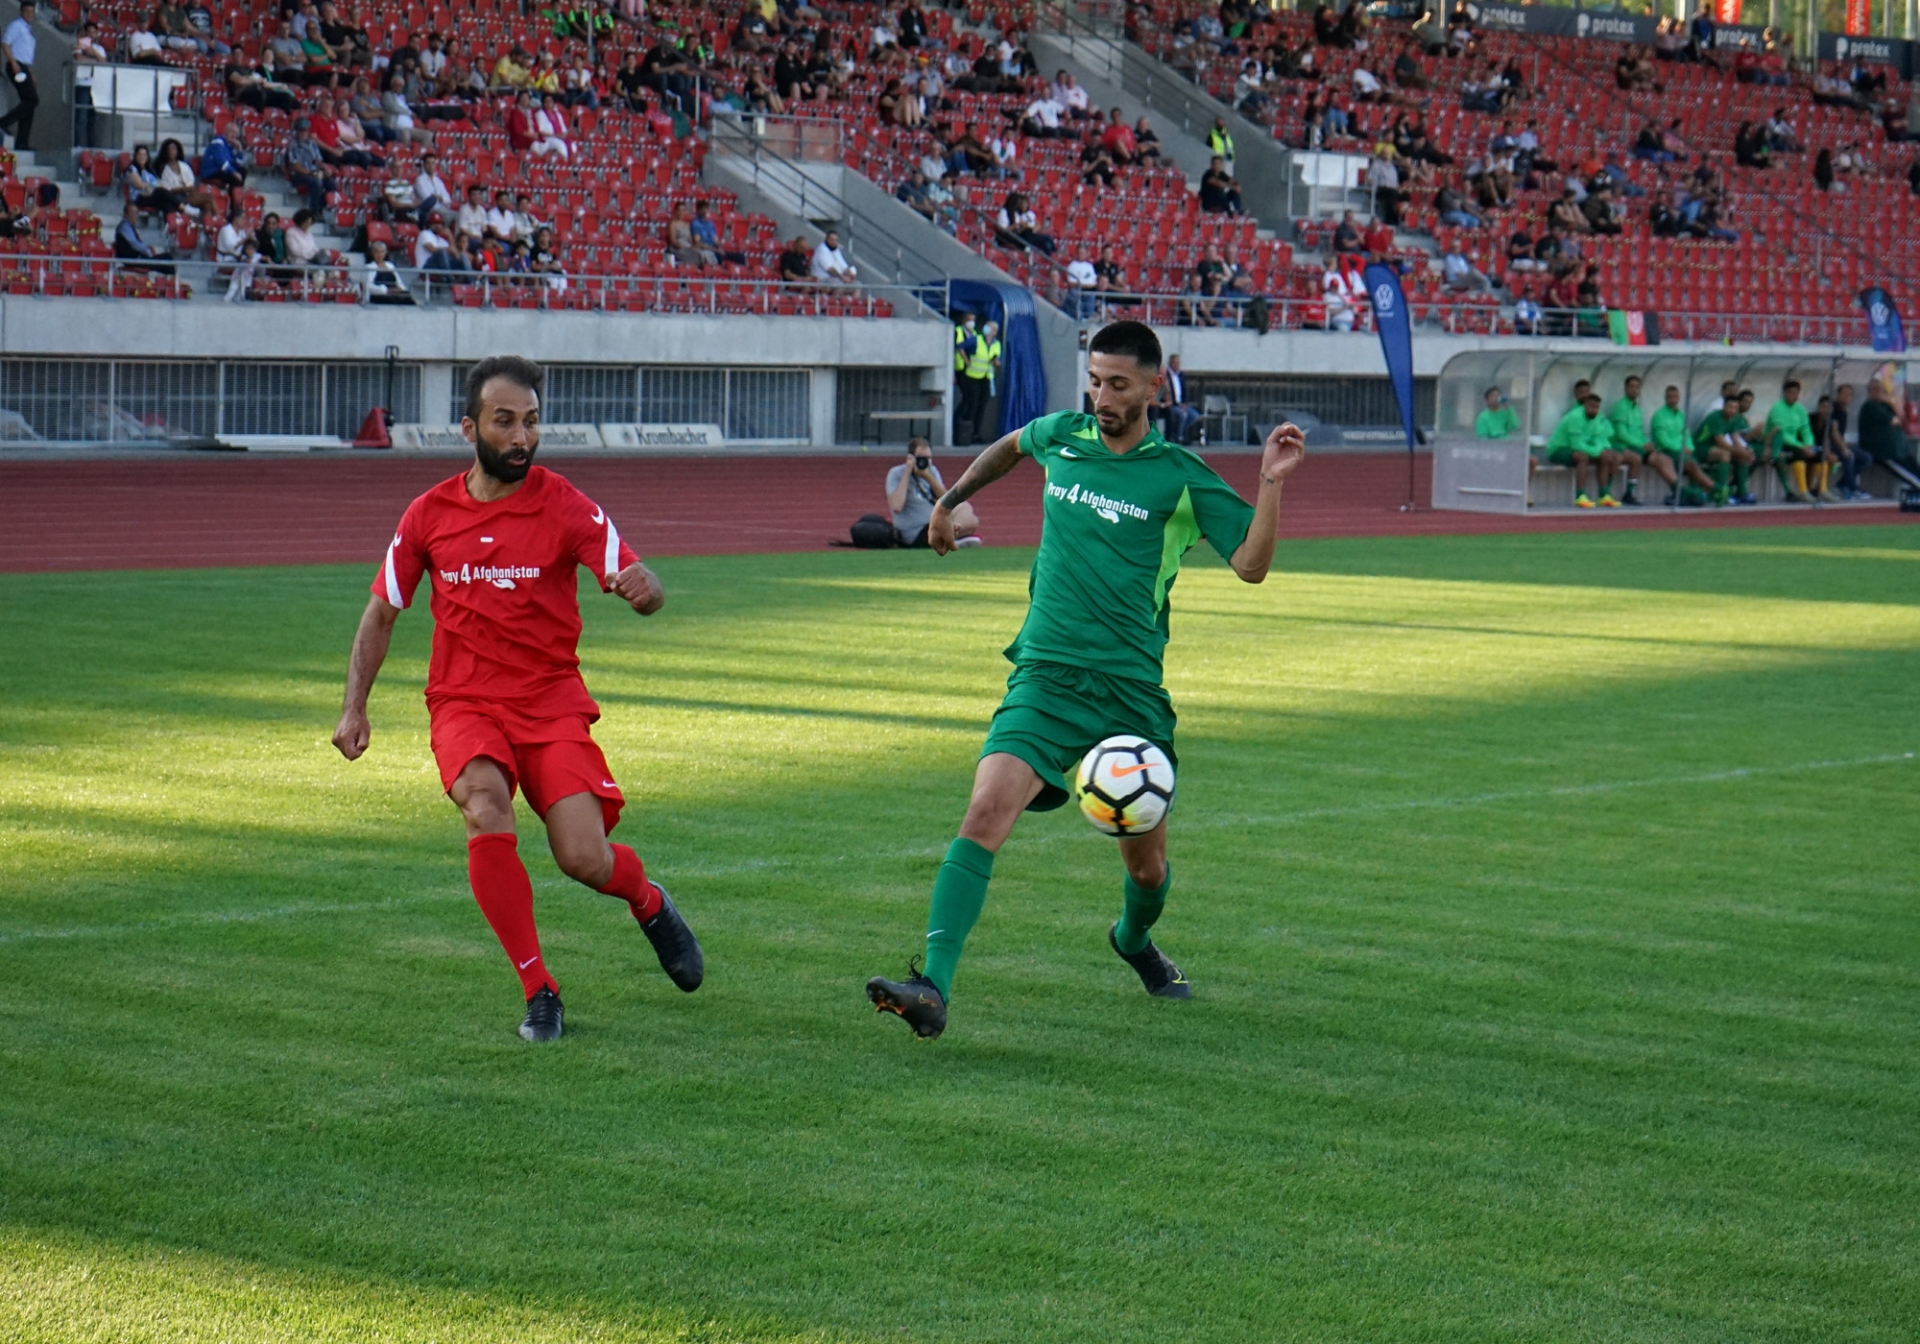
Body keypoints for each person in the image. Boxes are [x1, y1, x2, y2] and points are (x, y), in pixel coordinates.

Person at [865, 321, 1308, 1040]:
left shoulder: (1179, 476)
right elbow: (1012, 446)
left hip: (1130, 694)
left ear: (1153, 388)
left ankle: (1132, 940)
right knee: (983, 813)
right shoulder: (1061, 437)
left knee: (1147, 872)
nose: (1102, 397)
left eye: (1119, 385)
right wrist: (947, 503)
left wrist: (1270, 483)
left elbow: (1251, 566)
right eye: (1095, 381)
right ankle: (932, 987)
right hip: (1045, 675)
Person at [332, 356, 703, 1045]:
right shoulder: (427, 514)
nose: (521, 437)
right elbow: (381, 612)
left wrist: (645, 587)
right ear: (468, 427)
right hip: (464, 701)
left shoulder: (563, 502)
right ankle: (540, 990)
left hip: (550, 701)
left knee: (583, 858)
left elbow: (630, 570)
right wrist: (355, 707)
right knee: (484, 807)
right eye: (504, 421)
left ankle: (649, 901)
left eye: (531, 422)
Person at [886, 438, 980, 547]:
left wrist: (927, 476)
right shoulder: (896, 473)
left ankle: (946, 539)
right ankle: (949, 539)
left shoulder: (932, 471)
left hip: (934, 522)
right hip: (916, 533)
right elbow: (896, 506)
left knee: (965, 507)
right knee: (971, 522)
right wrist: (908, 471)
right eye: (921, 458)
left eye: (928, 458)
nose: (925, 461)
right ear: (911, 457)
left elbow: (947, 499)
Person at [1545, 391, 1621, 508]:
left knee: (1606, 456)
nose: (1594, 410)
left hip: (1579, 449)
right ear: (1585, 405)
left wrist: (1601, 450)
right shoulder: (1575, 416)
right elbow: (1577, 445)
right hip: (1559, 449)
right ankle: (1580, 496)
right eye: (1592, 407)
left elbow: (1598, 438)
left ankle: (1604, 495)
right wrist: (1597, 451)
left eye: (1597, 407)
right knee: (1582, 457)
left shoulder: (1596, 417)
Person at [1648, 385, 1718, 505]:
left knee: (1694, 462)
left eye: (1675, 397)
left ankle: (1705, 492)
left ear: (1679, 398)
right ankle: (1696, 493)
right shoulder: (1659, 415)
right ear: (1665, 398)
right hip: (1666, 450)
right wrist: (1680, 448)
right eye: (1670, 397)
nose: (1673, 400)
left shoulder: (1681, 415)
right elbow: (1661, 439)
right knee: (1690, 463)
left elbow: (1687, 434)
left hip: (1681, 452)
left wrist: (1690, 447)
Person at [1759, 380, 1819, 502]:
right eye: (1790, 392)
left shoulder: (1800, 409)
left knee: (1819, 454)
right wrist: (1801, 446)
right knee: (1799, 454)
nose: (1793, 395)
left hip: (1795, 444)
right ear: (1784, 393)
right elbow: (1782, 433)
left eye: (1795, 393)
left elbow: (1805, 429)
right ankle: (1803, 491)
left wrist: (1809, 444)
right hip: (1776, 443)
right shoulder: (1777, 408)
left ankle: (1819, 489)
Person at [1692, 391, 1757, 506]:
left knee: (1742, 457)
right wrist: (1741, 452)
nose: (1732, 410)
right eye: (1729, 407)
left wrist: (1745, 451)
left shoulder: (1735, 418)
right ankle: (1721, 490)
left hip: (1715, 448)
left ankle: (1742, 493)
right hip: (1701, 447)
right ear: (1724, 406)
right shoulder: (1715, 417)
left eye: (1735, 408)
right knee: (1725, 454)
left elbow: (1735, 438)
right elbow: (1720, 442)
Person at [1603, 375, 1655, 505]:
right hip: (1620, 445)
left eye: (1637, 387)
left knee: (1655, 456)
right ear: (1625, 388)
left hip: (1635, 446)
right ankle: (1605, 492)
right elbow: (1621, 434)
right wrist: (1641, 444)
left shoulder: (1637, 409)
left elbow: (1640, 432)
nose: (1634, 390)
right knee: (1643, 458)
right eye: (1631, 387)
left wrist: (1646, 443)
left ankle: (1629, 493)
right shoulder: (1620, 407)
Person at [1858, 378, 1918, 486]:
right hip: (1885, 453)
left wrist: (1891, 403)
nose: (1878, 391)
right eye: (1874, 389)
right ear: (1869, 392)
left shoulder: (1886, 406)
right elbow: (1893, 421)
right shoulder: (1869, 406)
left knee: (1915, 467)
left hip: (1900, 451)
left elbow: (1901, 419)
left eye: (1880, 389)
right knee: (1910, 476)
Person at [952, 312, 995, 445]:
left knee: (974, 403)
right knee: (968, 402)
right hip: (962, 371)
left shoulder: (976, 335)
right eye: (970, 320)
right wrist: (965, 362)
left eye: (974, 320)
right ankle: (959, 430)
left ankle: (972, 433)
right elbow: (958, 348)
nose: (972, 323)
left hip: (981, 375)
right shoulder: (958, 331)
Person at [0, 0, 37, 150]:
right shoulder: (16, 25)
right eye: (26, 11)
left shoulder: (28, 30)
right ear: (21, 12)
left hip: (24, 67)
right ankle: (4, 121)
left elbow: (26, 54)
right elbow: (5, 43)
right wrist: (13, 62)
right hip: (16, 65)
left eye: (31, 12)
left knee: (29, 104)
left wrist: (31, 73)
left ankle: (22, 142)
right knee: (32, 99)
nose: (29, 14)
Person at [1154, 352, 1200, 444]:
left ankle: (1178, 433)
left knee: (1194, 415)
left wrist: (1184, 403)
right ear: (1170, 363)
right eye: (1174, 362)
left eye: (1178, 363)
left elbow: (1184, 390)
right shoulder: (1166, 375)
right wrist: (1174, 403)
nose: (1176, 365)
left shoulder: (1181, 375)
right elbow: (1167, 393)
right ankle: (1178, 438)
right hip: (1172, 404)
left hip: (1181, 404)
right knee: (1182, 415)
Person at [363, 237, 413, 305]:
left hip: (394, 293)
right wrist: (386, 290)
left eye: (382, 252)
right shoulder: (369, 267)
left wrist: (400, 289)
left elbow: (399, 282)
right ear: (372, 253)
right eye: (377, 252)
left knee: (407, 297)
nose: (379, 254)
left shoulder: (390, 266)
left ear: (385, 253)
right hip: (379, 295)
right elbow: (367, 286)